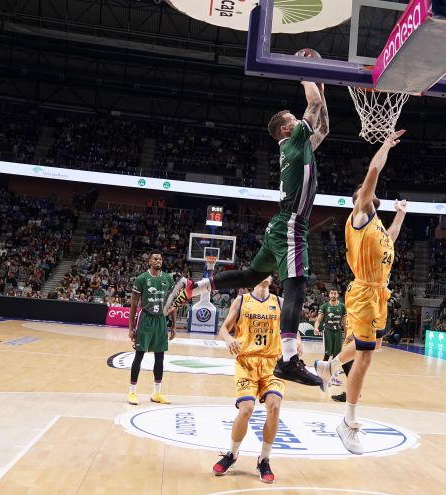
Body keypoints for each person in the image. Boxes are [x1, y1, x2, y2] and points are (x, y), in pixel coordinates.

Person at [165, 76, 329, 388]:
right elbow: (314, 105)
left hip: (281, 225)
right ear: (285, 130)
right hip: (292, 224)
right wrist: (309, 71)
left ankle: (193, 286)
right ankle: (290, 359)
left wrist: (321, 91)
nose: (299, 121)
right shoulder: (294, 143)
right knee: (296, 285)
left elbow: (323, 126)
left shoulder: (298, 146)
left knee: (251, 276)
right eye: (294, 120)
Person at [314, 129, 408, 454]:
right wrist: (385, 146)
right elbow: (372, 172)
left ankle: (330, 366)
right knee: (365, 356)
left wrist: (400, 214)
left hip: (380, 294)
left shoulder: (378, 226)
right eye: (364, 194)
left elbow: (391, 239)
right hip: (364, 293)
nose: (367, 194)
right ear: (360, 201)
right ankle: (348, 422)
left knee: (371, 352)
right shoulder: (359, 217)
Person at [212, 276, 301, 484]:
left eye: (268, 272)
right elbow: (223, 329)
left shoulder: (279, 302)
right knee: (246, 409)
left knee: (275, 407)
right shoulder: (241, 301)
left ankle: (264, 459)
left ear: (271, 278)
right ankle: (232, 454)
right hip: (247, 362)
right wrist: (229, 339)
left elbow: (292, 331)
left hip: (272, 363)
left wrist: (297, 342)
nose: (264, 275)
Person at [127, 251, 176, 406]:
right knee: (139, 355)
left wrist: (173, 325)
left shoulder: (168, 278)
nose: (158, 261)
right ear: (149, 261)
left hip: (161, 319)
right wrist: (131, 327)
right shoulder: (141, 279)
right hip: (146, 319)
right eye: (155, 258)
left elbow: (171, 302)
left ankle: (156, 393)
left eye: (160, 259)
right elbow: (134, 304)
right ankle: (132, 392)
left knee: (160, 357)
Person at [314, 289, 347, 364]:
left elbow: (345, 323)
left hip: (338, 332)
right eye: (331, 293)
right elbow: (318, 320)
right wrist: (316, 328)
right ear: (329, 295)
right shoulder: (324, 306)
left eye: (335, 293)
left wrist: (346, 335)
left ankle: (333, 371)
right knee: (327, 353)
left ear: (337, 295)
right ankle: (322, 370)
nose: (333, 295)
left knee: (337, 355)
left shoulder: (342, 306)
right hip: (328, 332)